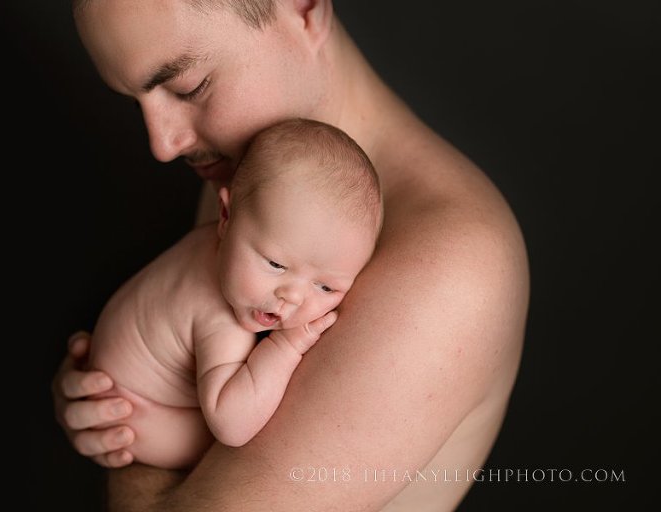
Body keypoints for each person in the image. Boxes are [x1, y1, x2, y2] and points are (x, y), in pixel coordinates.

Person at [52, 1, 530, 510]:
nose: (163, 145)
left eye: (189, 86)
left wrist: (136, 433)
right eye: (136, 100)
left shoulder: (448, 267)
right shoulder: (250, 170)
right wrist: (119, 379)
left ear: (303, 8)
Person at [88, 118, 382, 469]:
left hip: (109, 374)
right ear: (226, 215)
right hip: (133, 413)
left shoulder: (219, 245)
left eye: (325, 287)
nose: (292, 296)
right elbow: (231, 425)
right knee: (232, 447)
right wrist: (284, 347)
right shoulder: (220, 316)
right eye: (275, 263)